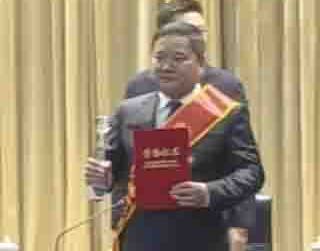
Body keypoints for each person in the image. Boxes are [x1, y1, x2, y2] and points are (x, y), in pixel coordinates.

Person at [85, 21, 265, 251]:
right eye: (159, 58)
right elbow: (111, 174)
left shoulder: (226, 113)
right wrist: (101, 179)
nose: (166, 66)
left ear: (201, 63)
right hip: (140, 240)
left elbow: (252, 173)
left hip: (200, 238)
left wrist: (209, 192)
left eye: (178, 59)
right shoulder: (128, 111)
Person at [123, 0, 254, 251]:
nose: (200, 38)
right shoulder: (139, 87)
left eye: (202, 31)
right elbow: (127, 160)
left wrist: (239, 224)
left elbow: (241, 162)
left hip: (204, 225)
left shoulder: (226, 86)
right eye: (190, 31)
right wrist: (122, 218)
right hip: (147, 228)